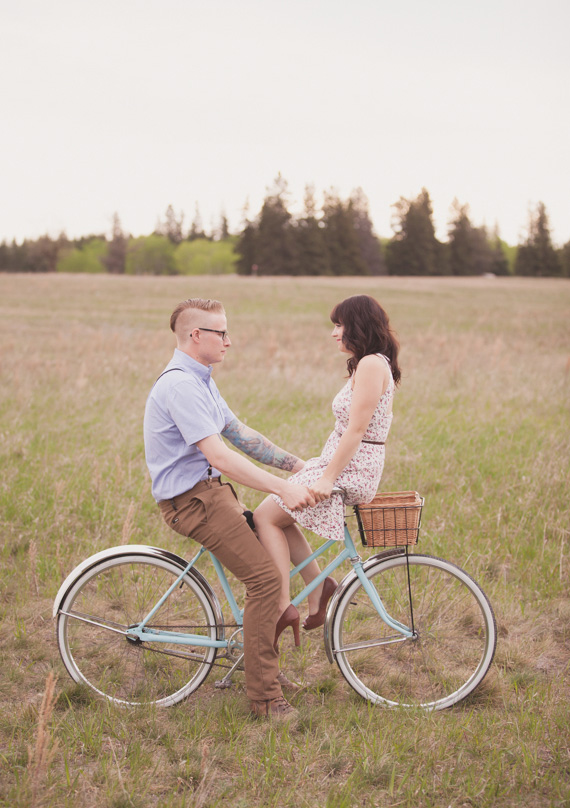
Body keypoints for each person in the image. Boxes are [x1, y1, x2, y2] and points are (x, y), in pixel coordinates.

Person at [143, 297, 316, 720]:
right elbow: (219, 455)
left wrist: (297, 466)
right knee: (265, 581)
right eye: (221, 333)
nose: (229, 341)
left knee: (274, 531)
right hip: (193, 503)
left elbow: (237, 432)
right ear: (195, 335)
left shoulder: (201, 378)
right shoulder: (181, 385)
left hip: (211, 494)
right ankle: (263, 697)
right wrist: (282, 487)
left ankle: (263, 663)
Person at [254, 294, 401, 650]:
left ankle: (281, 606)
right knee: (282, 513)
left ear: (359, 326)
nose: (334, 334)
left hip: (352, 468)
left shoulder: (370, 365)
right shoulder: (369, 363)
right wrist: (320, 467)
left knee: (266, 517)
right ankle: (318, 588)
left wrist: (327, 478)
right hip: (342, 462)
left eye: (339, 325)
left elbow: (356, 430)